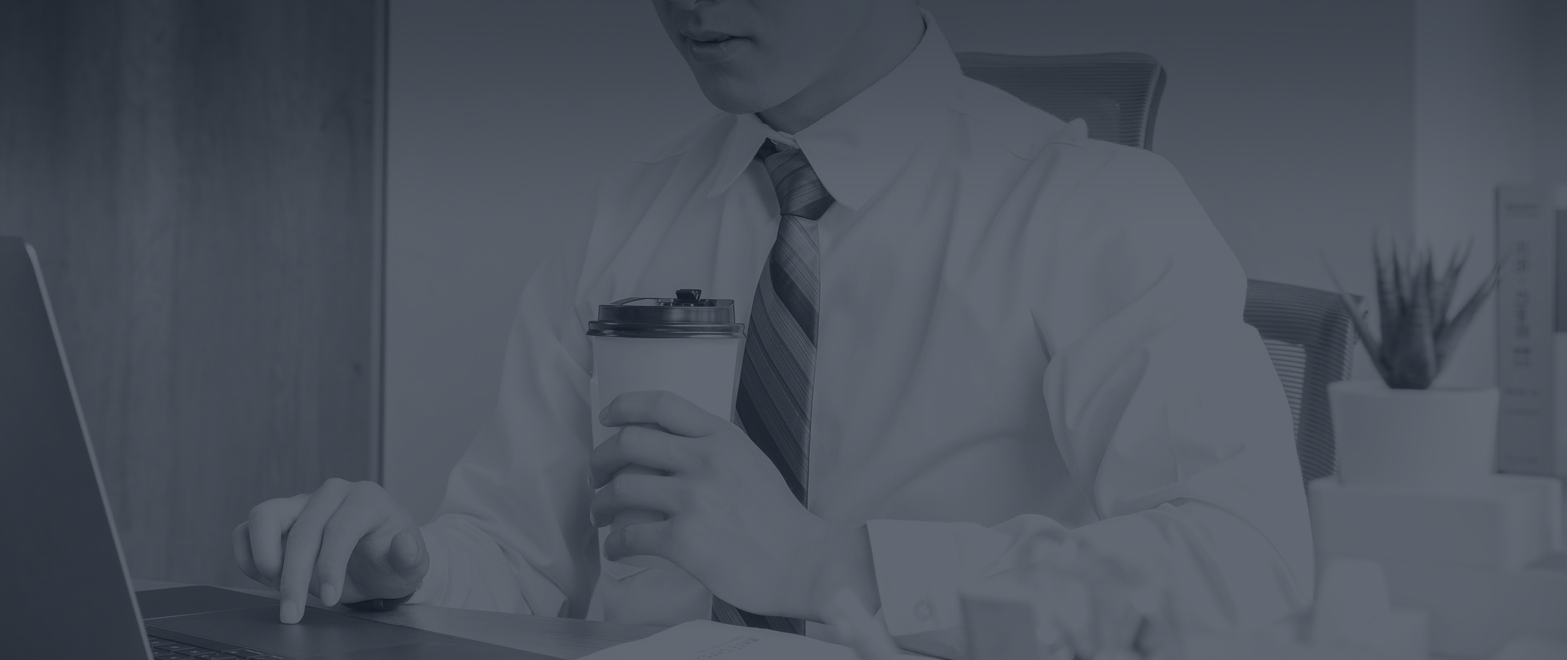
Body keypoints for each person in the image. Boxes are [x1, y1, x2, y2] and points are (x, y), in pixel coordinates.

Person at [234, 0, 1314, 656]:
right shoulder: (629, 215)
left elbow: (1248, 574)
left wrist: (826, 565)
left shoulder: (1098, 210)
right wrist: (409, 568)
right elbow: (521, 561)